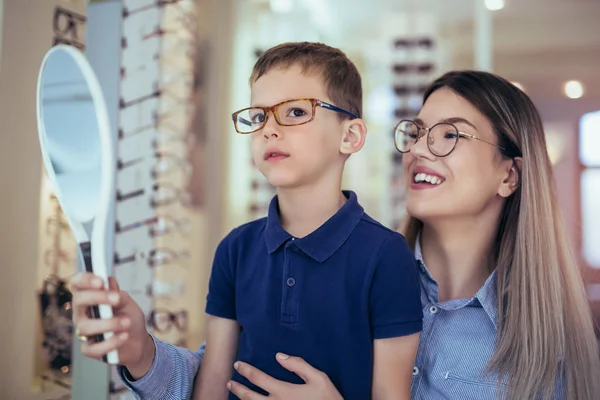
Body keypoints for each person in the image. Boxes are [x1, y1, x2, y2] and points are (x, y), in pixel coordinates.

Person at [69, 69, 600, 399]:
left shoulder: (544, 351)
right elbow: (226, 378)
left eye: (450, 136)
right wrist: (140, 351)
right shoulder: (342, 261)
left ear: (509, 174)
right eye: (416, 132)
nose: (417, 149)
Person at [70, 42, 423, 400]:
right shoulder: (234, 250)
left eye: (296, 112)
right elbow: (212, 385)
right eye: (258, 117)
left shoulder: (386, 255)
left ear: (350, 136)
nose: (269, 129)